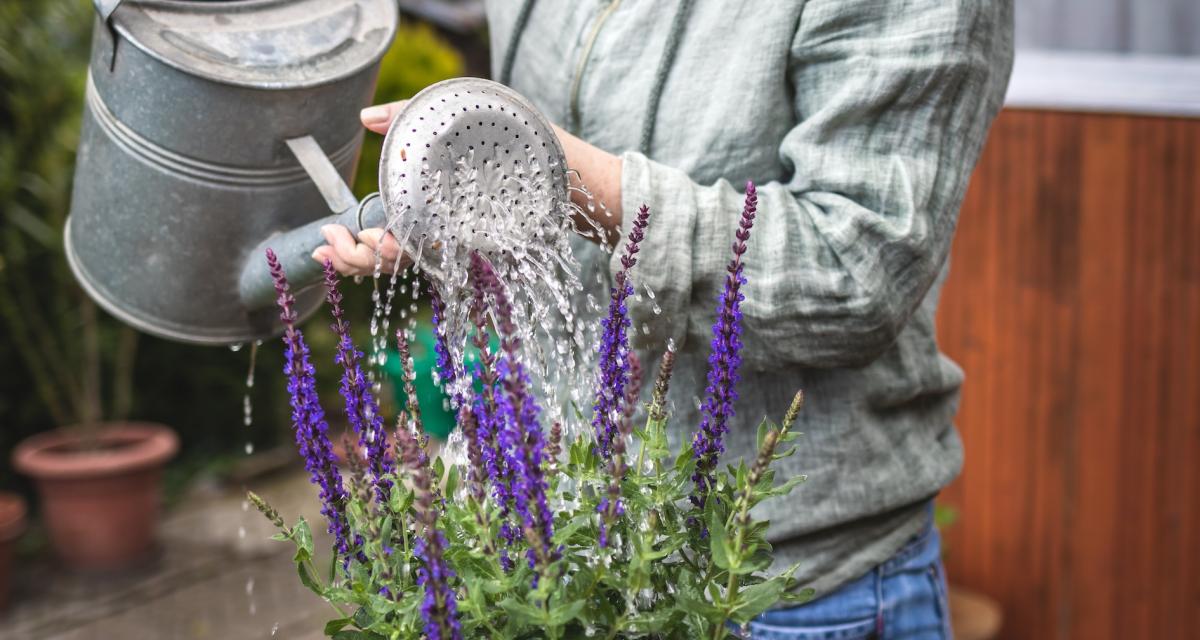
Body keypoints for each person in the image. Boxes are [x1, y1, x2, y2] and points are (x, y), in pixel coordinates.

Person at [317, 1, 1014, 637]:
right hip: (552, 556)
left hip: (773, 589)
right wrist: (458, 212)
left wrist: (576, 183)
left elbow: (856, 273)